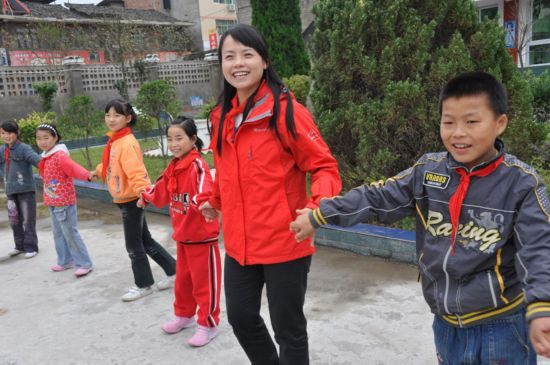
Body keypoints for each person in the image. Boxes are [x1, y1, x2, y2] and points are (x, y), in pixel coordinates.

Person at [290, 71, 550, 364]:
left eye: (472, 122)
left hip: (501, 326)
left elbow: (539, 249)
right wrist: (320, 214)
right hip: (444, 323)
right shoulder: (428, 172)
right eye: (448, 122)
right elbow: (377, 197)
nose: (458, 133)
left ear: (499, 123)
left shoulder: (522, 184)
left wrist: (541, 305)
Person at [199, 24, 341, 364]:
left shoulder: (286, 112)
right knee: (241, 318)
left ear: (264, 61)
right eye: (229, 56)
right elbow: (227, 167)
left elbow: (324, 167)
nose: (238, 64)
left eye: (247, 54)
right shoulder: (220, 117)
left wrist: (316, 209)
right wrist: (215, 200)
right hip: (239, 243)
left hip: (284, 242)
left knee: (288, 329)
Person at [139, 116, 221, 347]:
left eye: (179, 138)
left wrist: (204, 204)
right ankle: (184, 316)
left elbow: (206, 190)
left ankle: (208, 324)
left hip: (202, 238)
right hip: (183, 237)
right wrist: (146, 197)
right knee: (183, 283)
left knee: (205, 285)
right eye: (170, 139)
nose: (174, 144)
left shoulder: (197, 166)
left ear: (193, 139)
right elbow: (161, 189)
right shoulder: (173, 167)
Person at [93, 99, 176, 301]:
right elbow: (112, 165)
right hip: (126, 197)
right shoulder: (116, 140)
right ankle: (174, 272)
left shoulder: (126, 143)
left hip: (132, 199)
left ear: (128, 118)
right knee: (145, 241)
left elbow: (137, 172)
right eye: (108, 115)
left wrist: (143, 194)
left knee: (133, 245)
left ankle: (143, 284)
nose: (111, 120)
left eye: (116, 115)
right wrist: (96, 172)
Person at [36, 123, 94, 277]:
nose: (42, 142)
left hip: (64, 202)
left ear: (55, 138)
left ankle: (84, 263)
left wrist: (87, 175)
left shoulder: (59, 156)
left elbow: (73, 168)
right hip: (52, 202)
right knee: (58, 233)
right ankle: (65, 260)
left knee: (70, 232)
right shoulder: (47, 156)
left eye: (46, 138)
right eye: (39, 138)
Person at [0, 120, 41, 259]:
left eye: (9, 133)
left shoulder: (24, 148)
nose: (6, 136)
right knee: (14, 221)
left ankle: (31, 247)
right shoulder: (2, 150)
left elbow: (39, 162)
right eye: (3, 133)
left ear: (16, 133)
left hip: (26, 191)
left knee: (28, 220)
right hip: (11, 191)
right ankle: (20, 246)